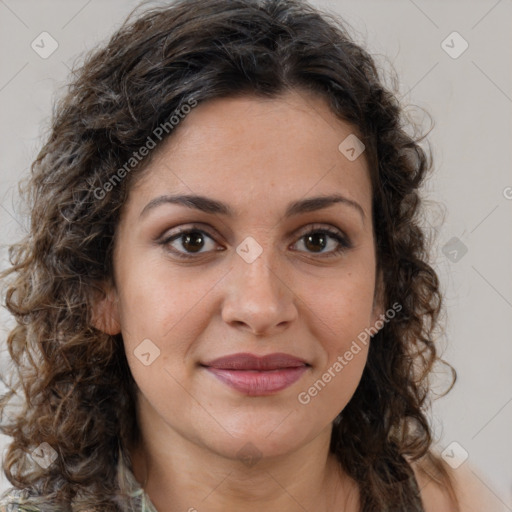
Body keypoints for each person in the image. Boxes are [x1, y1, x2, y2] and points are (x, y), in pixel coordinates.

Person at [0, 0, 493, 510]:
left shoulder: (458, 499)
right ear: (101, 287)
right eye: (192, 240)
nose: (260, 307)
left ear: (381, 287)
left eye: (318, 240)